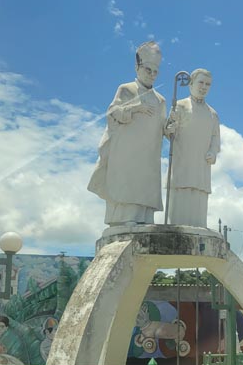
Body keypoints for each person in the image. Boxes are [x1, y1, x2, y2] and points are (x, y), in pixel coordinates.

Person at [88, 42, 166, 226]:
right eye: (148, 70)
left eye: (156, 72)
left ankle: (144, 218)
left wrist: (171, 128)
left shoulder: (161, 100)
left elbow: (163, 126)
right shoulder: (126, 89)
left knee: (145, 185)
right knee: (126, 184)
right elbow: (113, 112)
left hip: (149, 154)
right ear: (137, 67)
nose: (152, 75)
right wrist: (135, 107)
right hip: (126, 150)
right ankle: (123, 218)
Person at [165, 68, 220, 227]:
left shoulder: (213, 114)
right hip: (182, 161)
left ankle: (198, 226)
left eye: (208, 84)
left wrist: (213, 151)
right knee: (181, 192)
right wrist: (169, 130)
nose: (204, 87)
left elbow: (215, 137)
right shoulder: (180, 105)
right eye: (201, 82)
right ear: (191, 84)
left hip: (202, 165)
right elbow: (168, 131)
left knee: (199, 195)